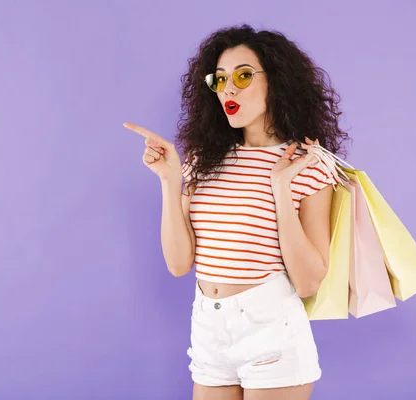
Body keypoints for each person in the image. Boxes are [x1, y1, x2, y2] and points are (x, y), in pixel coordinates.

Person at [124, 24, 350, 400]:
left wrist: (280, 188)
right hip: (209, 330)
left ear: (277, 82)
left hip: (271, 331)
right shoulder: (203, 161)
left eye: (244, 76)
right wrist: (170, 181)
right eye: (220, 79)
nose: (228, 89)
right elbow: (179, 264)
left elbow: (310, 282)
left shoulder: (308, 165)